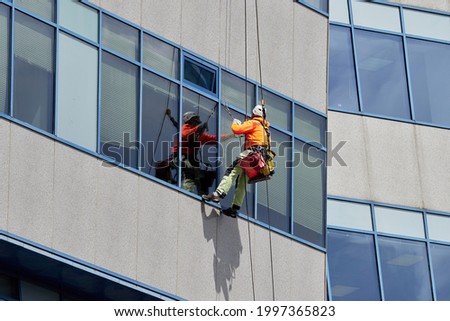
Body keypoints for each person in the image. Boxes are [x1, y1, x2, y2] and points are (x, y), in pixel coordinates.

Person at [202, 104, 270, 218]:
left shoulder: (254, 123)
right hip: (260, 159)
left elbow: (236, 130)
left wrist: (236, 123)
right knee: (242, 181)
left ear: (254, 113)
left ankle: (218, 193)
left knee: (232, 171)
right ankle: (235, 208)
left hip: (251, 154)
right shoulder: (266, 128)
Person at [173, 111, 231, 195]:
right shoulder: (186, 127)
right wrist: (199, 128)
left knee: (201, 177)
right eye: (195, 120)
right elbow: (185, 134)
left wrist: (230, 136)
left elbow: (214, 139)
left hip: (191, 159)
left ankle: (202, 194)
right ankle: (187, 194)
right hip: (181, 156)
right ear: (190, 120)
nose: (197, 121)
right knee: (190, 173)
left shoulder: (201, 135)